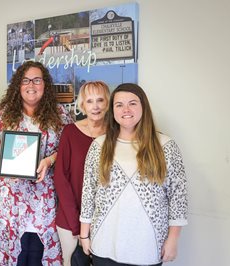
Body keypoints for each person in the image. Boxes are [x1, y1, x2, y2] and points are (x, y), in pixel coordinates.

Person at [80, 83, 188, 266]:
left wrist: (173, 239)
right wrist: (84, 235)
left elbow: (179, 197)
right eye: (119, 105)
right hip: (104, 245)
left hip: (146, 248)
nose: (126, 109)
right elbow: (88, 193)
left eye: (132, 103)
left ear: (143, 106)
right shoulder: (99, 145)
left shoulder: (166, 146)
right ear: (112, 110)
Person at [0, 61, 73, 265]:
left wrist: (49, 160)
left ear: (45, 85)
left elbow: (68, 151)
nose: (31, 85)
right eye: (26, 80)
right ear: (18, 85)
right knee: (15, 259)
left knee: (38, 258)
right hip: (9, 205)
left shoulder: (59, 114)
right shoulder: (1, 114)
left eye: (37, 80)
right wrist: (6, 164)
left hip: (44, 203)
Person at [53, 81, 110, 266]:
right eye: (90, 101)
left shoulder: (115, 135)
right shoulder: (70, 132)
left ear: (107, 104)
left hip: (105, 220)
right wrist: (76, 224)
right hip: (71, 221)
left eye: (100, 100)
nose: (95, 106)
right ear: (82, 105)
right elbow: (61, 178)